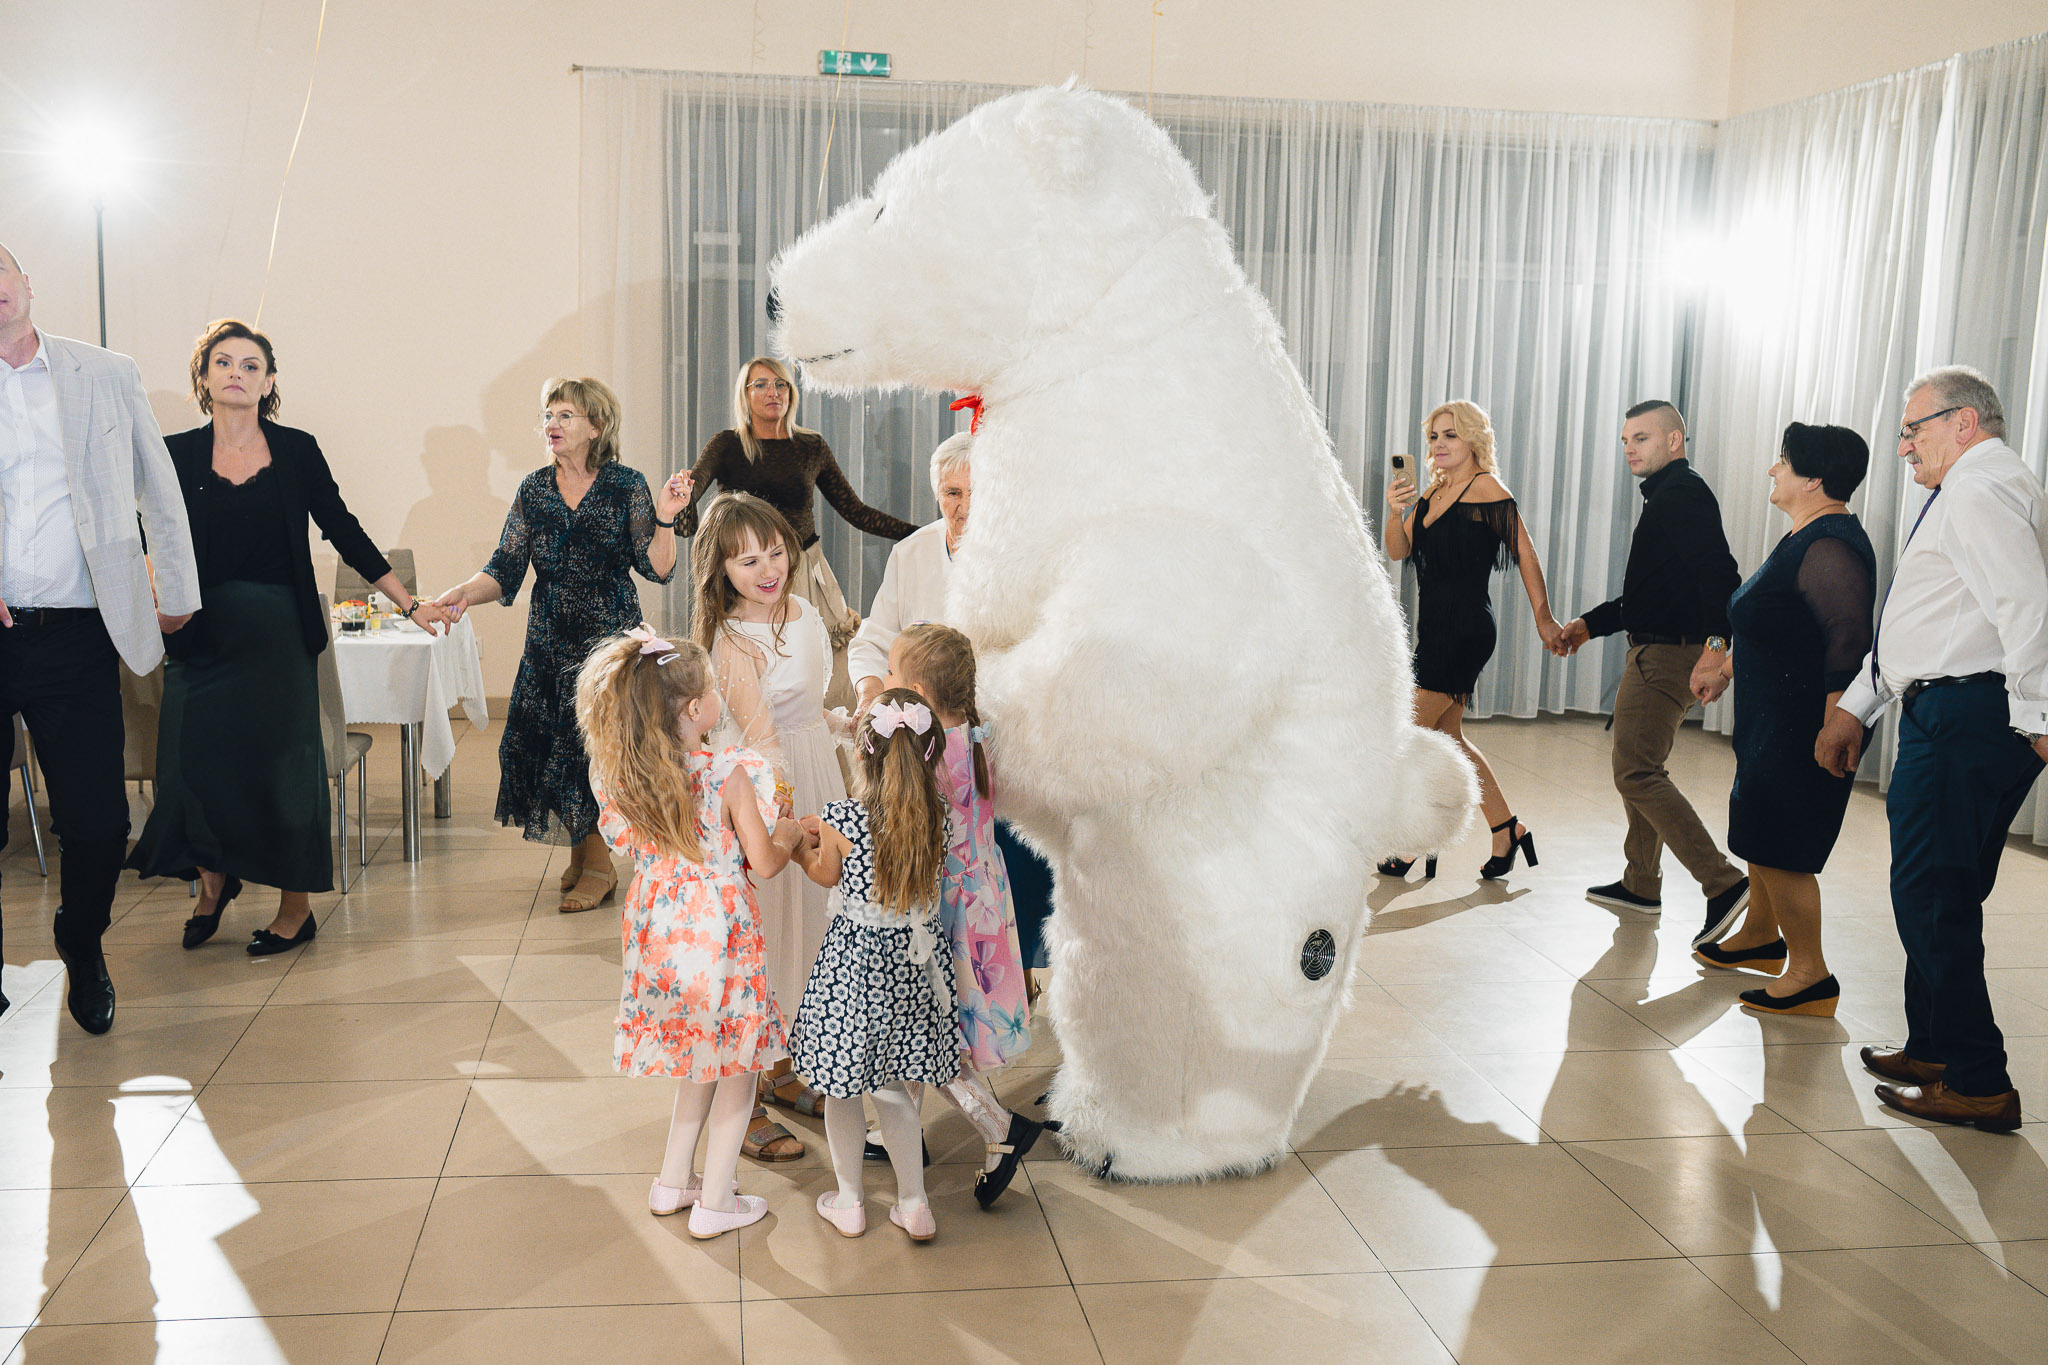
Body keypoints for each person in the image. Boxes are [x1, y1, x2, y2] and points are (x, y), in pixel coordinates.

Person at [126, 320, 457, 954]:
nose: (236, 373)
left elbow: (343, 528)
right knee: (191, 766)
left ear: (269, 381)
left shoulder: (297, 450)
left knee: (284, 774)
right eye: (223, 363)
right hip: (199, 635)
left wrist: (409, 602)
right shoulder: (175, 453)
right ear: (203, 378)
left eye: (250, 365)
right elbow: (146, 534)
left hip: (278, 635)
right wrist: (153, 595)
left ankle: (295, 909)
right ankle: (213, 882)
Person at [1815, 366, 2048, 1132]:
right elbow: (1929, 620)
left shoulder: (1980, 487)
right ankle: (1935, 1047)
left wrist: (2039, 715)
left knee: (1930, 893)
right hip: (1956, 708)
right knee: (1944, 889)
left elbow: (2026, 605)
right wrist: (1858, 706)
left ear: (1964, 423)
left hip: (1963, 716)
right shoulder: (1976, 484)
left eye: (1914, 429)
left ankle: (1978, 1080)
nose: (1903, 446)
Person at [0, 241, 200, 1032]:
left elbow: (160, 488)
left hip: (77, 636)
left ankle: (81, 941)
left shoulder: (105, 373)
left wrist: (177, 593)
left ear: (25, 283)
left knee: (98, 824)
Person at [575, 626, 805, 1238]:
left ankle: (674, 1181)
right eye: (711, 688)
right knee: (738, 1066)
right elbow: (764, 861)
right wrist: (787, 833)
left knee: (700, 1059)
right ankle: (718, 1200)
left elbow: (631, 845)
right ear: (695, 709)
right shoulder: (730, 774)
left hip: (662, 933)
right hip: (720, 934)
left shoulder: (627, 777)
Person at [434, 378, 686, 913]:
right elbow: (506, 565)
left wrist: (665, 515)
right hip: (549, 643)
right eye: (548, 415)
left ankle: (599, 867)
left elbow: (658, 568)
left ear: (596, 426)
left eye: (566, 415)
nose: (552, 424)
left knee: (592, 751)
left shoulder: (625, 485)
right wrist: (464, 593)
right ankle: (581, 853)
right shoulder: (534, 489)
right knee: (553, 746)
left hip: (607, 646)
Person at [844, 434, 1057, 976]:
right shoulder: (911, 553)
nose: (963, 508)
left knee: (1001, 858)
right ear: (936, 494)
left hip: (996, 736)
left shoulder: (1022, 558)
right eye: (952, 493)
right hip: (921, 748)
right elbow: (872, 640)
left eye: (975, 493)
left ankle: (1010, 971)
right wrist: (870, 689)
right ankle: (935, 977)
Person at [1688, 423, 1875, 1018]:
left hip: (1803, 727)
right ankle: (1760, 936)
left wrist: (1836, 723)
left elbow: (1848, 643)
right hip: (1772, 720)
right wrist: (1725, 669)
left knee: (1782, 846)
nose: (1773, 469)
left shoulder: (1831, 547)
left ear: (1813, 478)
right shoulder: (1804, 536)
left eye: (1784, 461)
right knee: (1759, 831)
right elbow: (1772, 623)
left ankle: (1811, 974)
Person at [692, 491, 848, 1162]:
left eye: (776, 552)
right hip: (765, 789)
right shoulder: (730, 639)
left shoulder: (806, 612)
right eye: (747, 560)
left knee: (810, 926)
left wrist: (846, 730)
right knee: (763, 935)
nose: (767, 570)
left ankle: (783, 1071)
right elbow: (761, 737)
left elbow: (811, 707)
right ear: (721, 570)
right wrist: (783, 815)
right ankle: (745, 1099)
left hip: (815, 770)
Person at [1558, 400, 1749, 938]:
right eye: (1625, 440)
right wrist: (1590, 625)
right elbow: (1651, 596)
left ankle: (1723, 882)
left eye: (1640, 438)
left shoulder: (1681, 493)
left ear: (1673, 441)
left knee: (1636, 771)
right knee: (1640, 765)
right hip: (1659, 649)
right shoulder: (1667, 495)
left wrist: (1716, 648)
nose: (1629, 449)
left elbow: (1721, 576)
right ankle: (1641, 882)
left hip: (1667, 657)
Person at [788, 691, 974, 1241]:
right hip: (913, 968)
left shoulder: (842, 818)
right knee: (893, 1088)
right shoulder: (936, 818)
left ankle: (849, 1201)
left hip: (855, 970)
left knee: (843, 1089)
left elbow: (826, 875)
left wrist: (801, 848)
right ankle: (914, 1204)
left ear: (862, 755)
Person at [886, 624, 1045, 1206]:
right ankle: (898, 1128)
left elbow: (913, 831)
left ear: (919, 693)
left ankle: (999, 1127)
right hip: (982, 900)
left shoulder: (928, 755)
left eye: (892, 675)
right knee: (929, 1022)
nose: (884, 682)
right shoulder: (975, 735)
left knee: (927, 1027)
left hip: (945, 910)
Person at [1381, 401, 1564, 878]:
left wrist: (1545, 619)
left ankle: (1413, 842)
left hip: (1463, 632)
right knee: (1448, 737)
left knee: (1407, 738)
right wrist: (1396, 512)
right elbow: (1398, 550)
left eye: (1451, 435)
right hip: (1436, 629)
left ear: (1473, 440)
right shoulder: (1433, 492)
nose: (1439, 444)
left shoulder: (1487, 489)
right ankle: (1506, 828)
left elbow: (1525, 553)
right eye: (1434, 437)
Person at [677, 356, 918, 709]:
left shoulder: (811, 446)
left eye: (781, 384)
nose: (773, 392)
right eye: (761, 385)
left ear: (791, 393)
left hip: (805, 569)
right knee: (759, 672)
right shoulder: (728, 444)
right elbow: (692, 494)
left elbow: (855, 510)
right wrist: (680, 498)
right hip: (747, 579)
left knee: (825, 674)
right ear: (745, 395)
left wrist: (920, 534)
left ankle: (822, 737)